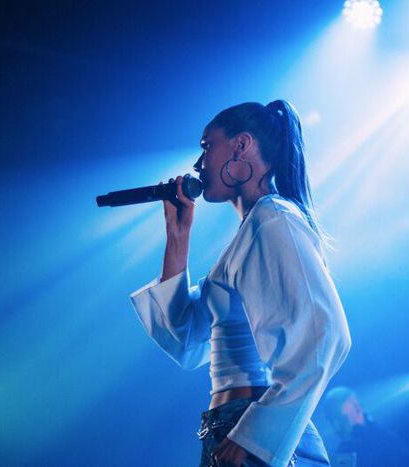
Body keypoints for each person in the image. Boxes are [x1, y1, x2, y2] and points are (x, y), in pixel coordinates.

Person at [129, 100, 351, 466]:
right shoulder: (249, 234)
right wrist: (177, 236)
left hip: (248, 424)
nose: (198, 164)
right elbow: (186, 341)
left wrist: (256, 435)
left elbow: (325, 335)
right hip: (229, 424)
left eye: (206, 147)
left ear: (241, 145)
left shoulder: (273, 219)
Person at [322, 387, 409, 467]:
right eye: (333, 421)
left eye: (342, 419)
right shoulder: (338, 455)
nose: (337, 427)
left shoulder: (388, 442)